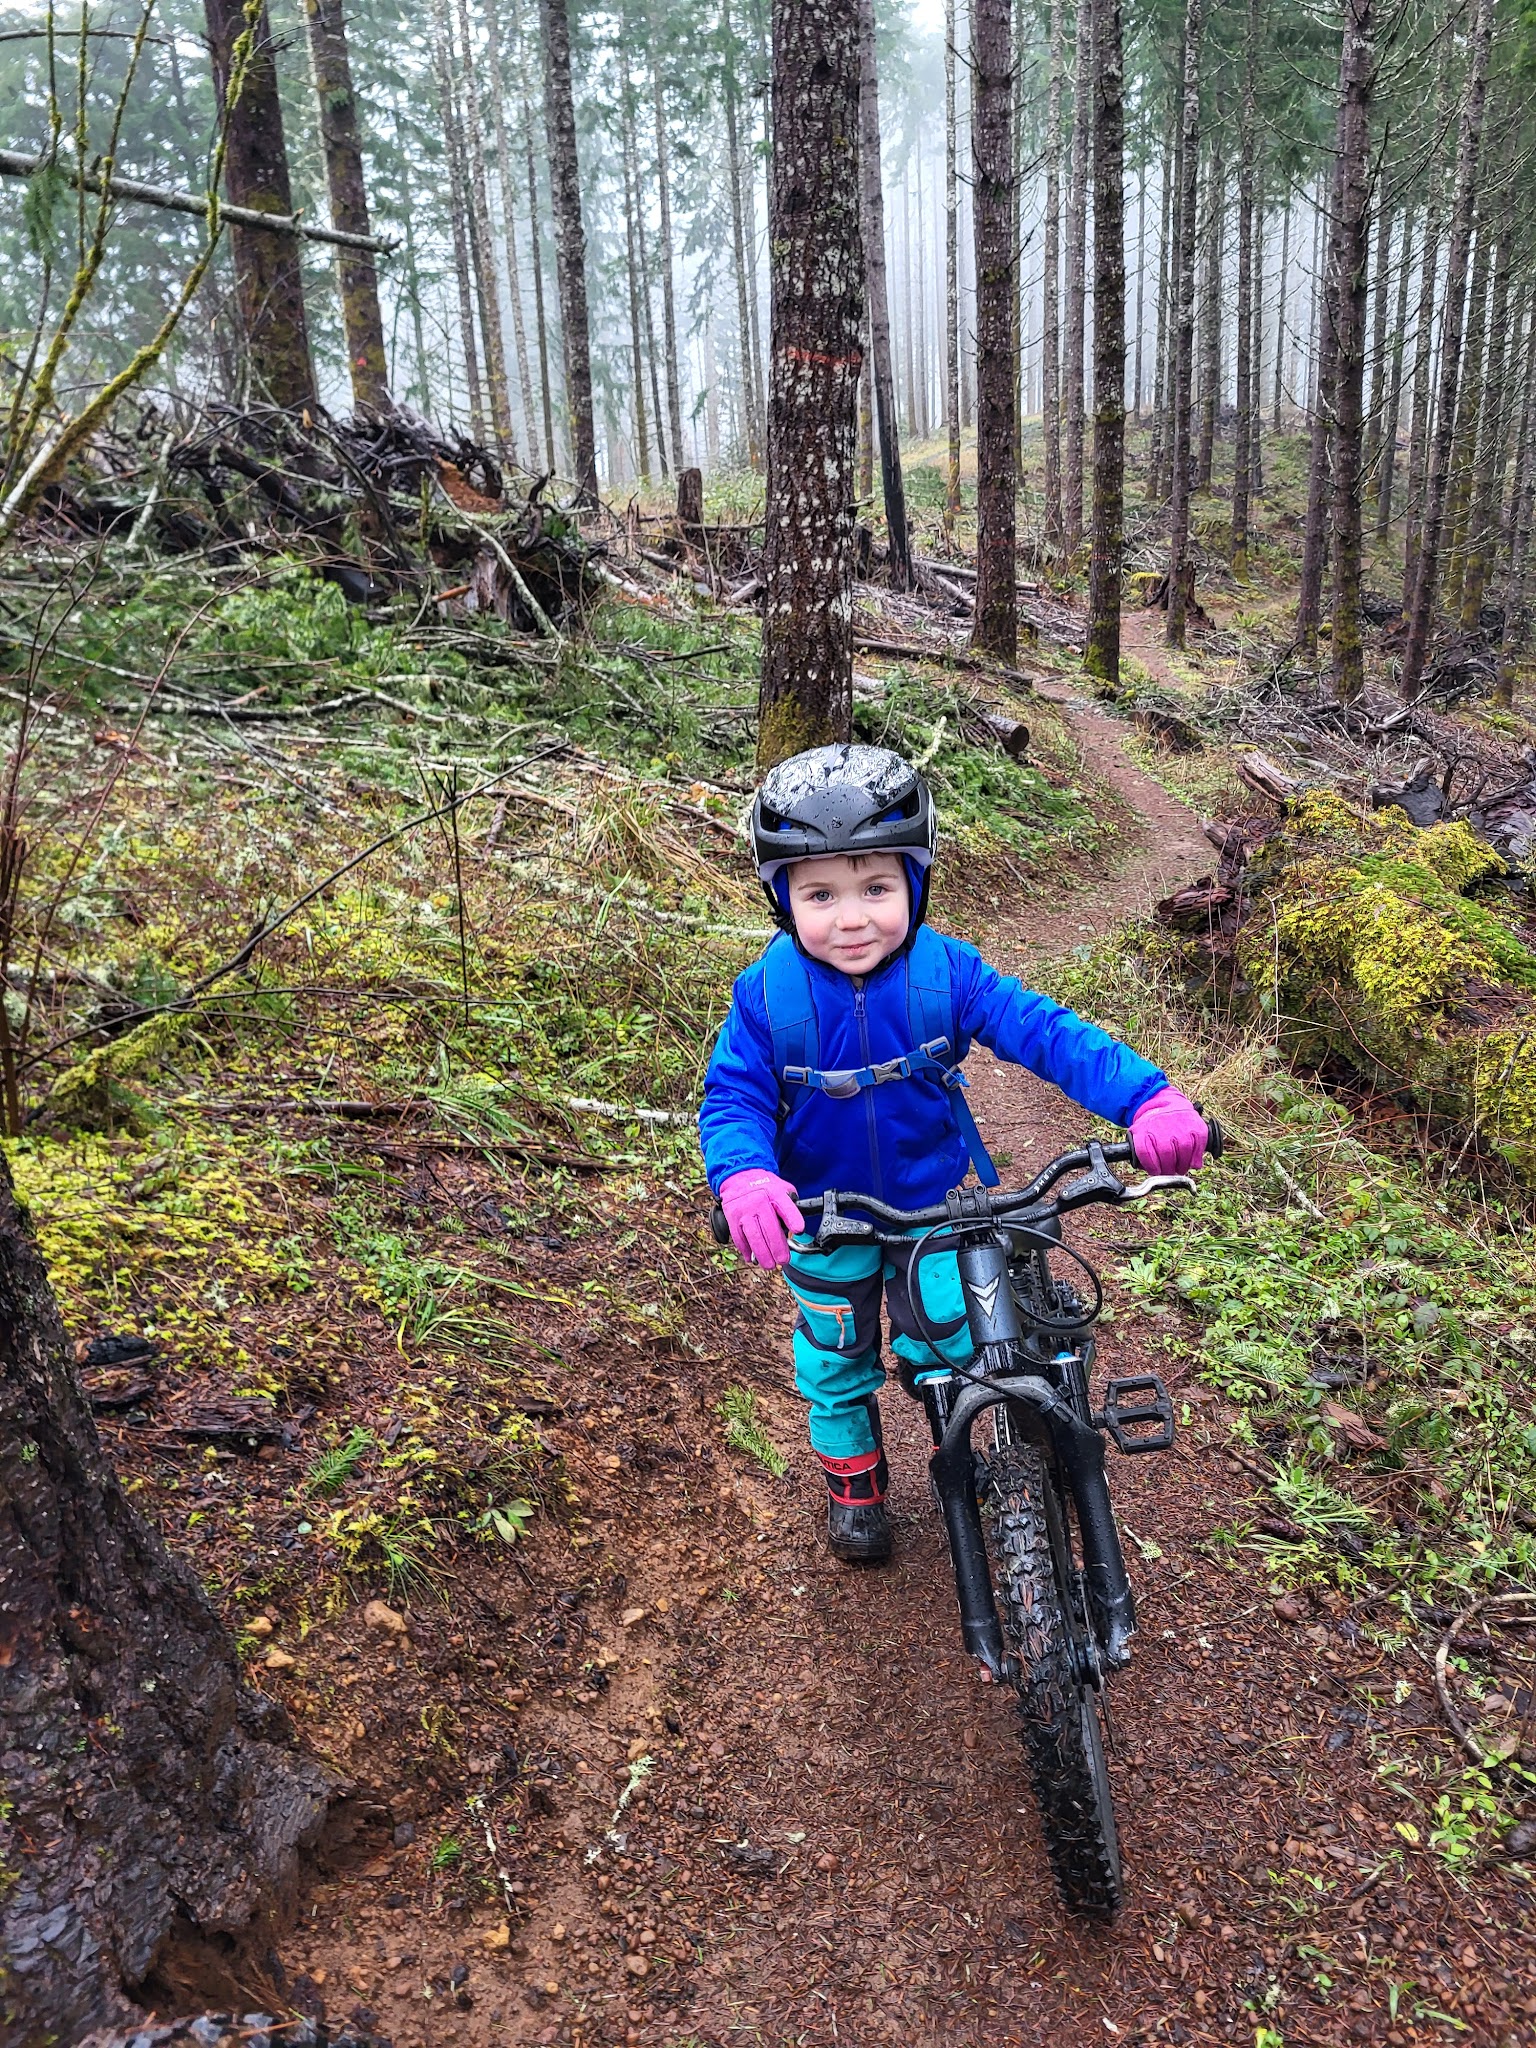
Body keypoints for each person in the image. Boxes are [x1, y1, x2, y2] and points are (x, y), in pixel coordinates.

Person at [698, 744, 1208, 1564]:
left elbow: (1047, 1034)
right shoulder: (767, 997)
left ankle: (982, 1443)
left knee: (962, 1342)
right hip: (825, 1220)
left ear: (917, 882)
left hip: (936, 1204)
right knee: (833, 1359)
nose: (852, 917)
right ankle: (855, 1482)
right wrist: (746, 1174)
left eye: (876, 887)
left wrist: (1147, 1098)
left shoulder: (947, 974)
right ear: (781, 899)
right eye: (820, 893)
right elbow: (735, 1099)